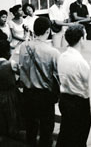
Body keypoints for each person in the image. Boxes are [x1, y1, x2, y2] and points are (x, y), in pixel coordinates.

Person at [19, 17, 60, 147]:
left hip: (27, 92)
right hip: (44, 95)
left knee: (30, 127)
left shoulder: (23, 46)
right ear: (48, 31)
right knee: (46, 129)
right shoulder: (52, 52)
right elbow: (58, 75)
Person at [56, 24, 91, 147]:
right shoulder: (80, 62)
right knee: (79, 138)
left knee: (65, 134)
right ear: (81, 39)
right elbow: (90, 83)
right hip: (79, 104)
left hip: (65, 100)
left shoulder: (62, 56)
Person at [0, 30, 21, 139]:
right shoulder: (10, 64)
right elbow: (20, 73)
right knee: (11, 116)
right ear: (7, 52)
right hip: (9, 94)